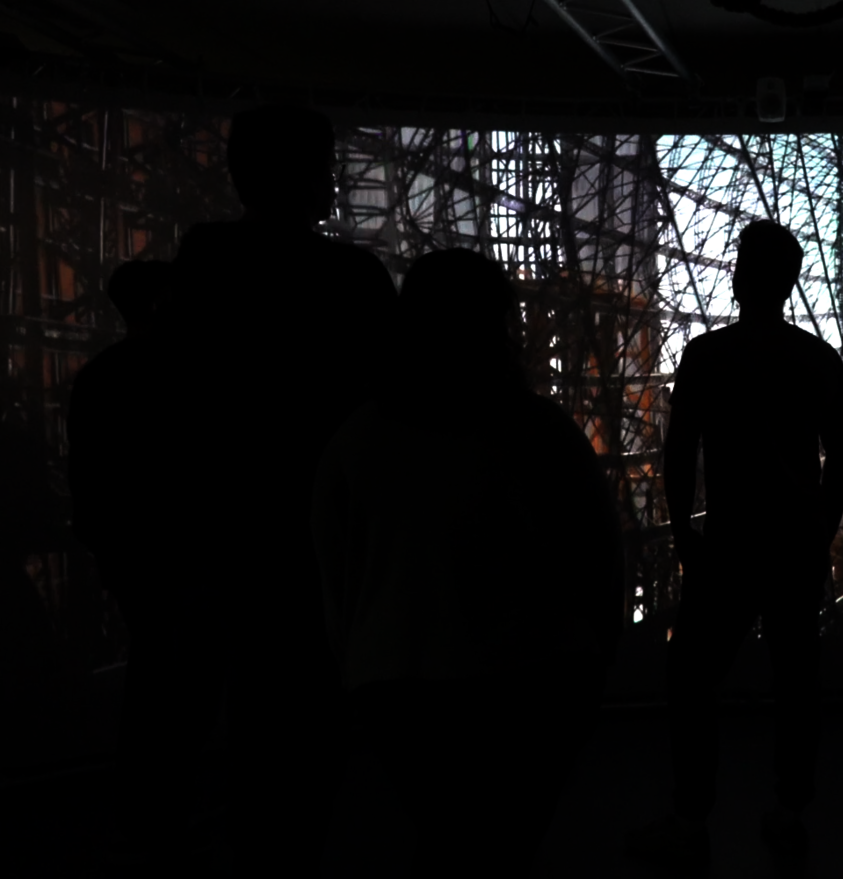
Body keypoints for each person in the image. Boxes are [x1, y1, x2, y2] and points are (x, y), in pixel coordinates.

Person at [312, 248, 623, 878]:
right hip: (534, 681)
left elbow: (335, 578)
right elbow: (599, 563)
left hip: (398, 689)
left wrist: (360, 671)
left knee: (451, 843)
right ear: (498, 324)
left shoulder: (356, 440)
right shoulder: (543, 434)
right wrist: (593, 664)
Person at [158, 102, 398, 878]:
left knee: (252, 713)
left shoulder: (205, 262)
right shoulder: (353, 280)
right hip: (326, 536)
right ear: (317, 176)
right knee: (311, 720)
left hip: (227, 528)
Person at [627, 220, 843, 875]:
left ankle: (691, 817)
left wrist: (681, 532)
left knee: (691, 677)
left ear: (739, 274)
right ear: (789, 281)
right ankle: (790, 810)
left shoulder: (707, 354)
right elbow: (839, 456)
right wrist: (822, 528)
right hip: (793, 544)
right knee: (796, 680)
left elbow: (679, 453)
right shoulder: (817, 359)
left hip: (727, 544)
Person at [68, 260, 224, 867]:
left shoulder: (101, 378)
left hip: (134, 554)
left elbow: (90, 479)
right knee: (184, 685)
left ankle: (149, 819)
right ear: (163, 304)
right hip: (185, 553)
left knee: (159, 675)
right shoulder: (188, 378)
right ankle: (164, 816)